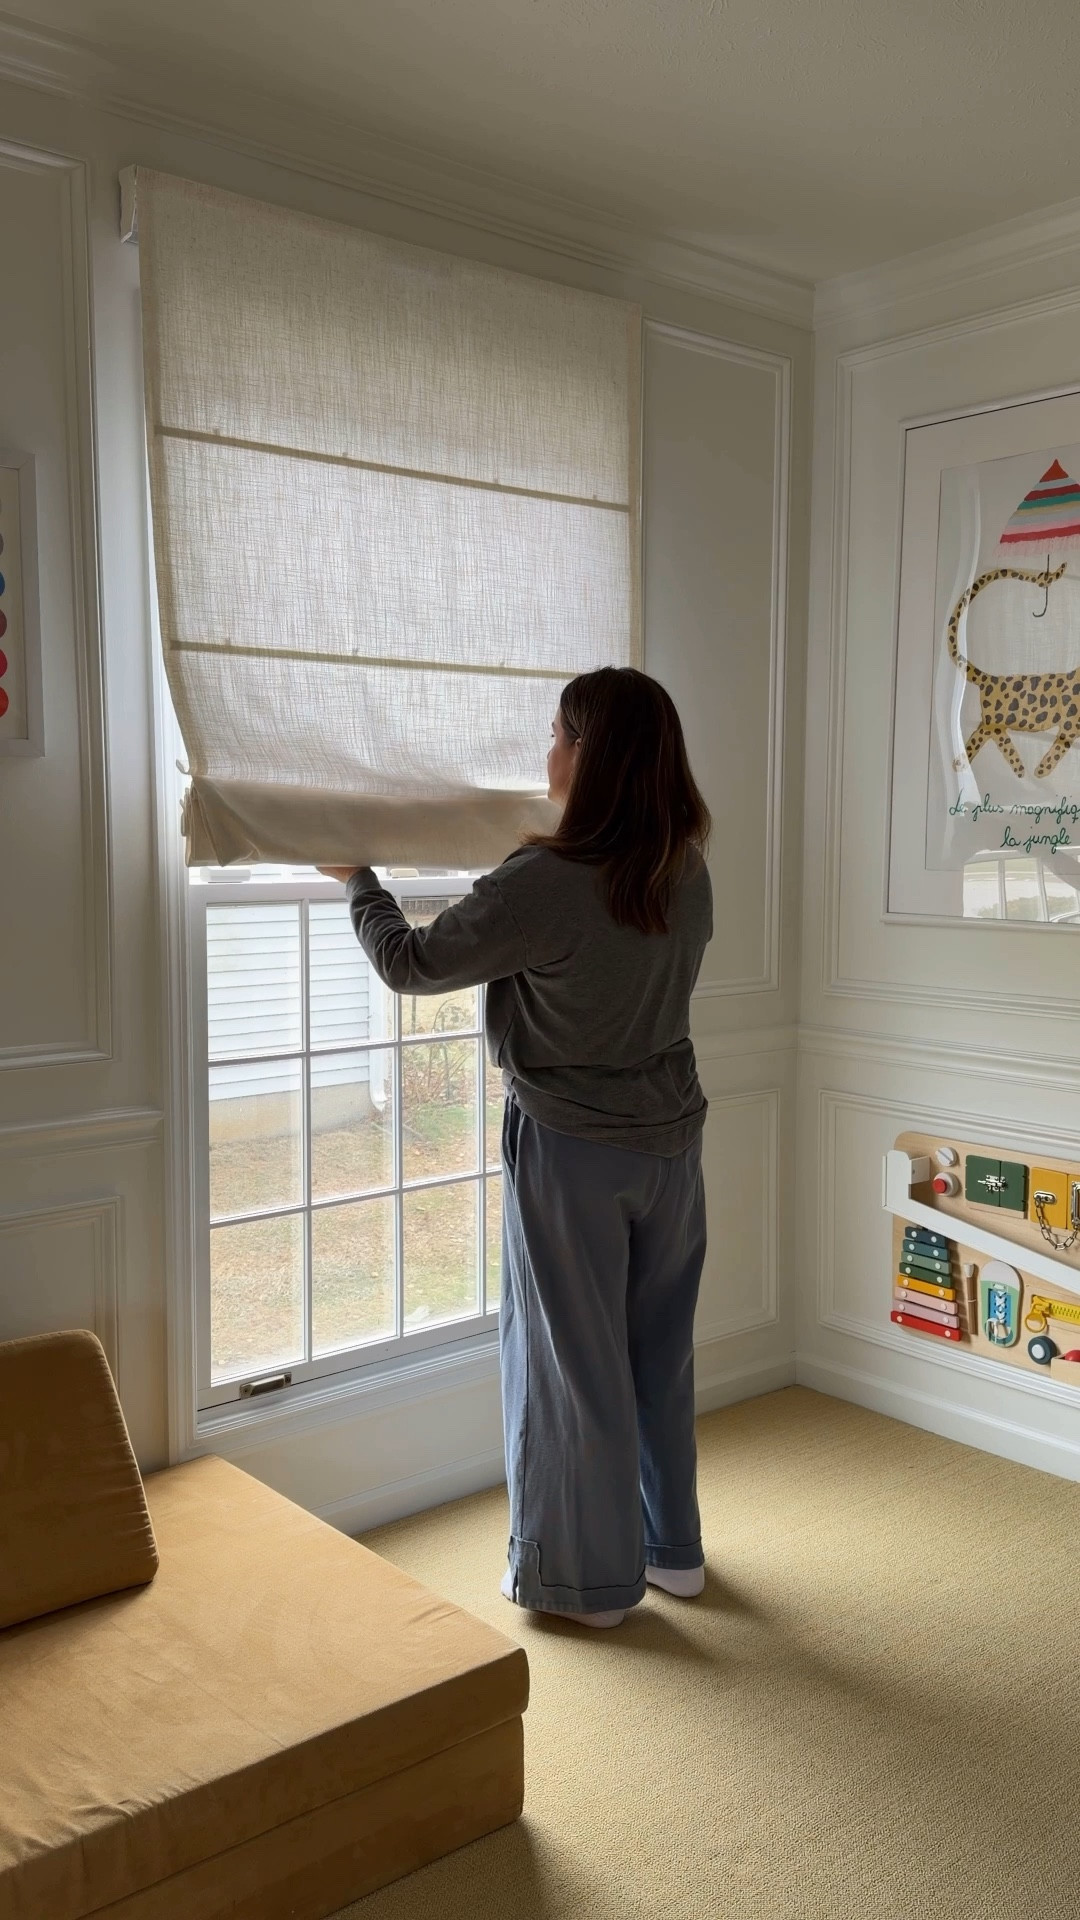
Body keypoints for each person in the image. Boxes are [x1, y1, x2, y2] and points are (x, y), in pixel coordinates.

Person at [321, 666, 712, 1629]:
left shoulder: (549, 882)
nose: (545, 752)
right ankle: (673, 1553)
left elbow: (411, 962)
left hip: (575, 1149)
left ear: (589, 754)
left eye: (555, 734)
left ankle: (587, 1585)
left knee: (571, 1365)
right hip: (672, 1147)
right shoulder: (681, 866)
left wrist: (359, 881)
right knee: (656, 1352)